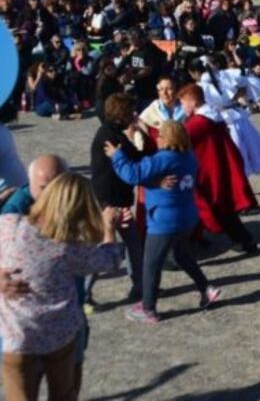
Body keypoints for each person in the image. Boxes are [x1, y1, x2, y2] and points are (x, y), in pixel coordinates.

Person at [0, 172, 125, 401]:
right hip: (60, 334)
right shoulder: (71, 248)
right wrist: (109, 228)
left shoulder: (8, 225)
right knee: (64, 394)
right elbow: (111, 260)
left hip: (16, 336)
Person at [107, 120, 221, 323]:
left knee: (151, 263)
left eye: (160, 135)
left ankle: (148, 308)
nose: (157, 138)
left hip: (164, 221)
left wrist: (117, 156)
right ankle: (206, 288)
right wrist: (154, 182)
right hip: (187, 218)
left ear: (169, 138)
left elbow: (133, 174)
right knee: (181, 255)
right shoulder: (189, 157)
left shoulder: (163, 159)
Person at [177, 84, 259, 253]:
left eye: (183, 102)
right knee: (219, 209)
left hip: (209, 172)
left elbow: (178, 140)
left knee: (216, 209)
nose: (182, 106)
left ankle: (245, 241)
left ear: (192, 102)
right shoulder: (212, 118)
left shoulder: (199, 122)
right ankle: (200, 238)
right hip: (216, 169)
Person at [88, 93, 146, 304]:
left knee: (129, 244)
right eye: (131, 110)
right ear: (122, 113)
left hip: (112, 199)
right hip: (110, 202)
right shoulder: (111, 137)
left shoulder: (112, 133)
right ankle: (85, 292)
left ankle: (139, 285)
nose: (134, 113)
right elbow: (137, 159)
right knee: (108, 246)